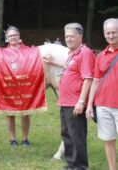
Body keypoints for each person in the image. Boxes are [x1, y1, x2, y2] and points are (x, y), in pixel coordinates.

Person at [47, 23, 94, 170]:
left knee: (77, 136)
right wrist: (52, 62)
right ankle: (71, 164)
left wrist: (81, 102)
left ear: (80, 36)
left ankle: (80, 166)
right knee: (67, 134)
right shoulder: (72, 54)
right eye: (66, 36)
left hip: (75, 103)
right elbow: (70, 68)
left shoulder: (85, 53)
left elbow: (88, 78)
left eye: (71, 36)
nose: (68, 39)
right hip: (65, 102)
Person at [86, 18, 118, 170]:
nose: (111, 36)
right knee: (109, 140)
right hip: (103, 105)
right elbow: (95, 81)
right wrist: (90, 105)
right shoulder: (100, 56)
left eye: (114, 32)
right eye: (108, 33)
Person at [5, 26, 31, 147]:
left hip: (24, 86)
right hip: (9, 87)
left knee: (25, 113)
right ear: (7, 38)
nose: (13, 38)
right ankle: (12, 139)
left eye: (15, 35)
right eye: (10, 36)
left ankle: (25, 138)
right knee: (10, 114)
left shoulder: (29, 51)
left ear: (19, 36)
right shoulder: (3, 53)